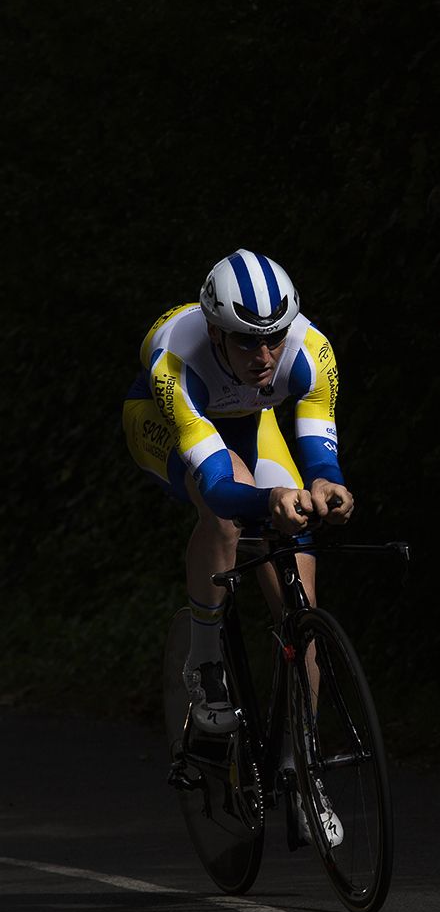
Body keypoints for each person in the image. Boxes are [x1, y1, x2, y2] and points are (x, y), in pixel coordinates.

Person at [123, 248, 354, 738]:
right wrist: (266, 504)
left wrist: (326, 484)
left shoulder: (313, 351)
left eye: (273, 339)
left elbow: (317, 452)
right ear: (214, 332)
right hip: (164, 422)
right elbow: (223, 490)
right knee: (227, 510)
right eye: (247, 342)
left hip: (252, 421)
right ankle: (204, 663)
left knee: (302, 606)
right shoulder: (176, 365)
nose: (264, 356)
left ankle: (303, 769)